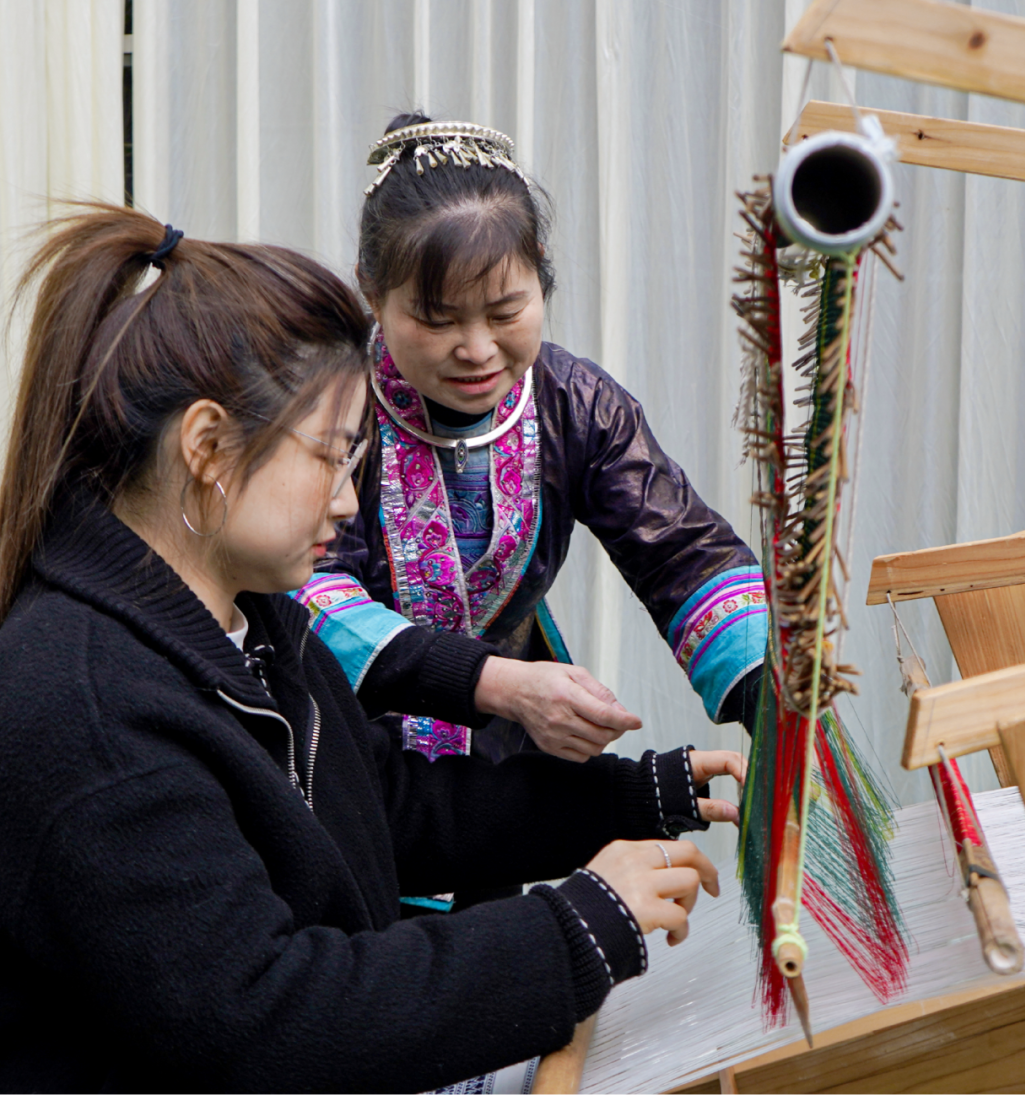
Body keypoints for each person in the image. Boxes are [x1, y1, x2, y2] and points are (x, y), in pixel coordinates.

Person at [0, 205, 748, 1095]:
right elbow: (268, 1017)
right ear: (207, 446)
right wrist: (577, 927)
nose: (350, 500)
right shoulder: (86, 709)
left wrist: (636, 795)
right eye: (329, 456)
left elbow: (386, 807)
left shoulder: (253, 624)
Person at [297, 113, 767, 769]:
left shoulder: (576, 404)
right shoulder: (328, 409)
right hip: (338, 751)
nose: (477, 349)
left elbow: (681, 552)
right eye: (437, 319)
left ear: (540, 274)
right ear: (373, 294)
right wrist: (496, 682)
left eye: (505, 311)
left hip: (504, 754)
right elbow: (309, 590)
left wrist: (773, 696)